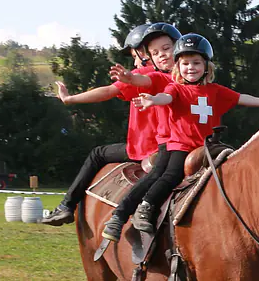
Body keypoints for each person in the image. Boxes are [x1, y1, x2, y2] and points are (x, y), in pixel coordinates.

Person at [101, 33, 259, 241]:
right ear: (178, 66)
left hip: (207, 146)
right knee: (170, 175)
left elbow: (240, 98)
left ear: (206, 67)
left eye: (196, 63)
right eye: (185, 63)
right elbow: (165, 97)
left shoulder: (215, 91)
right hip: (180, 146)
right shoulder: (175, 88)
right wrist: (153, 100)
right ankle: (144, 207)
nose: (191, 68)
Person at [40, 23, 181, 226]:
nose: (134, 61)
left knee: (97, 153)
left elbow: (107, 91)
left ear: (143, 53)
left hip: (145, 147)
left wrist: (71, 99)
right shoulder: (182, 76)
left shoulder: (149, 75)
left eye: (134, 56)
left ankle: (66, 207)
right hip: (176, 144)